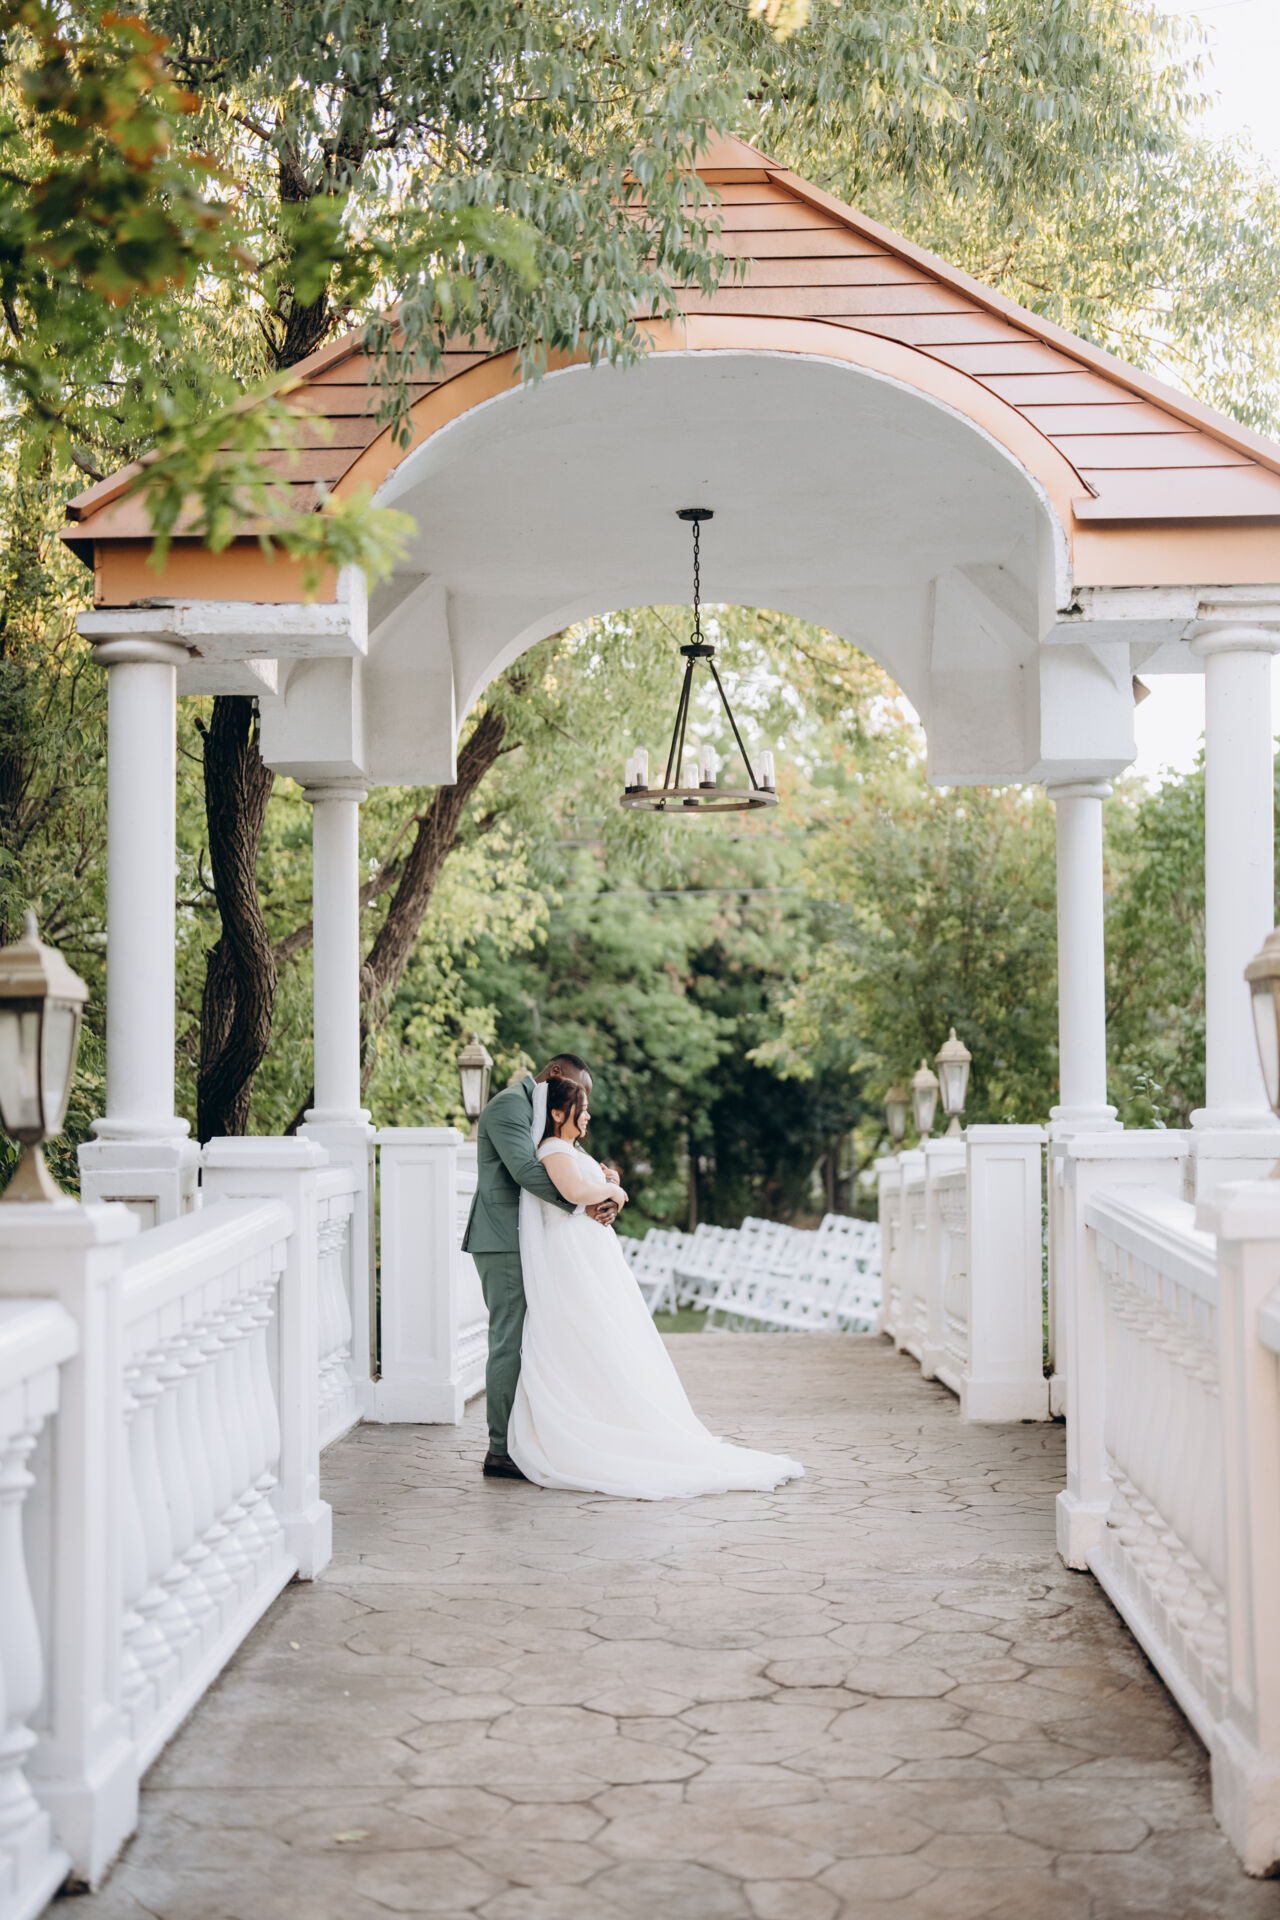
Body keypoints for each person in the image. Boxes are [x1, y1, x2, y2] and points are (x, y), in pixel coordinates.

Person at [506, 1069, 803, 1499]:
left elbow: (586, 1186)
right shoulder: (553, 1148)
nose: (587, 1116)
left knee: (611, 1334)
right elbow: (572, 1192)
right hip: (571, 1256)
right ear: (556, 1113)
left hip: (587, 1252)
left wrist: (609, 1182)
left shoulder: (569, 1148)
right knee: (585, 1333)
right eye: (580, 1109)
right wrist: (613, 1191)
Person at [462, 1053, 615, 1478]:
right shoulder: (509, 1106)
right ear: (555, 1075)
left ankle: (532, 1437)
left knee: (541, 1338)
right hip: (503, 1238)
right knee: (510, 1339)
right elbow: (526, 1170)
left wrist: (605, 1188)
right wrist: (583, 1204)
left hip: (534, 1237)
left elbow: (571, 1160)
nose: (579, 1102)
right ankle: (500, 1450)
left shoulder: (545, 1111)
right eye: (577, 1091)